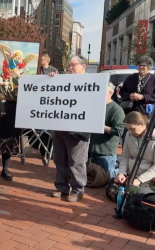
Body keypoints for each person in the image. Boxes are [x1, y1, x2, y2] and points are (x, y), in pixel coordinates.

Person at [48, 55, 90, 202]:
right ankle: (61, 187)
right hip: (59, 126)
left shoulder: (92, 83)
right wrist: (51, 79)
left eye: (73, 65)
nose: (70, 68)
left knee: (76, 161)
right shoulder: (61, 80)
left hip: (78, 130)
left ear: (83, 66)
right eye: (68, 66)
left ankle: (78, 190)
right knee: (59, 159)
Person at [115, 111, 155, 187]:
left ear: (142, 125)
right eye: (128, 129)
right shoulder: (129, 134)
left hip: (153, 177)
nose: (130, 132)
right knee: (113, 189)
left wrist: (140, 179)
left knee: (135, 194)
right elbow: (125, 156)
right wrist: (122, 173)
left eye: (132, 129)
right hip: (133, 174)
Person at [89, 83, 125, 178]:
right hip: (89, 149)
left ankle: (123, 173)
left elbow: (119, 131)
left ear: (110, 92)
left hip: (105, 151)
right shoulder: (93, 105)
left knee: (108, 177)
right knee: (89, 175)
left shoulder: (116, 110)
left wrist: (101, 126)